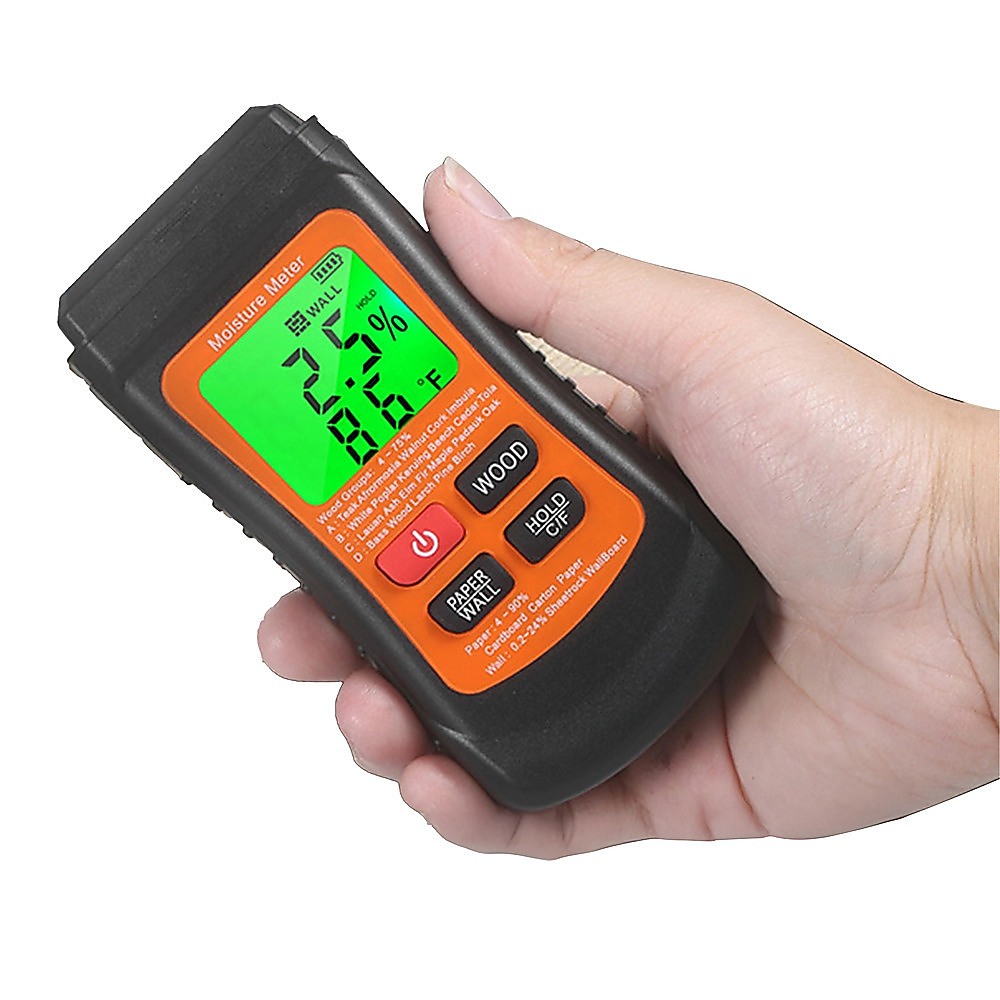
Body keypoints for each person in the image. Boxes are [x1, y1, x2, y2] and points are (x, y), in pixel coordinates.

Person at [257, 158, 999, 858]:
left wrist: (949, 554)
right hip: (671, 600)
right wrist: (958, 589)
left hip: (688, 591)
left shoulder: (304, 192)